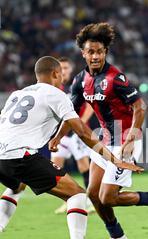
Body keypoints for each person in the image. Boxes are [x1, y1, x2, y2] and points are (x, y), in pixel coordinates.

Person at [0, 56, 142, 239]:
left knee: (17, 186)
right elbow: (83, 131)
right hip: (19, 157)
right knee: (76, 194)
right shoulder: (57, 95)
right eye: (62, 73)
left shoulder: (17, 94)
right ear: (56, 74)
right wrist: (115, 160)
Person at [71, 22, 148, 239]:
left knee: (108, 197)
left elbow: (141, 107)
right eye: (91, 52)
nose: (95, 56)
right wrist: (57, 136)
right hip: (105, 141)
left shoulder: (116, 78)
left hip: (126, 141)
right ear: (83, 53)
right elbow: (70, 113)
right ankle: (117, 237)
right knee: (93, 194)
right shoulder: (80, 81)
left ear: (105, 52)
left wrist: (131, 139)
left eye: (99, 51)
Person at [51, 57, 96, 214]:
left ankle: (91, 200)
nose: (63, 71)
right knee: (55, 166)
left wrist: (80, 123)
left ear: (70, 69)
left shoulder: (77, 84)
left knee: (84, 166)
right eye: (60, 68)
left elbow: (90, 105)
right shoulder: (56, 87)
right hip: (62, 134)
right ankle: (69, 199)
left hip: (78, 133)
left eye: (65, 68)